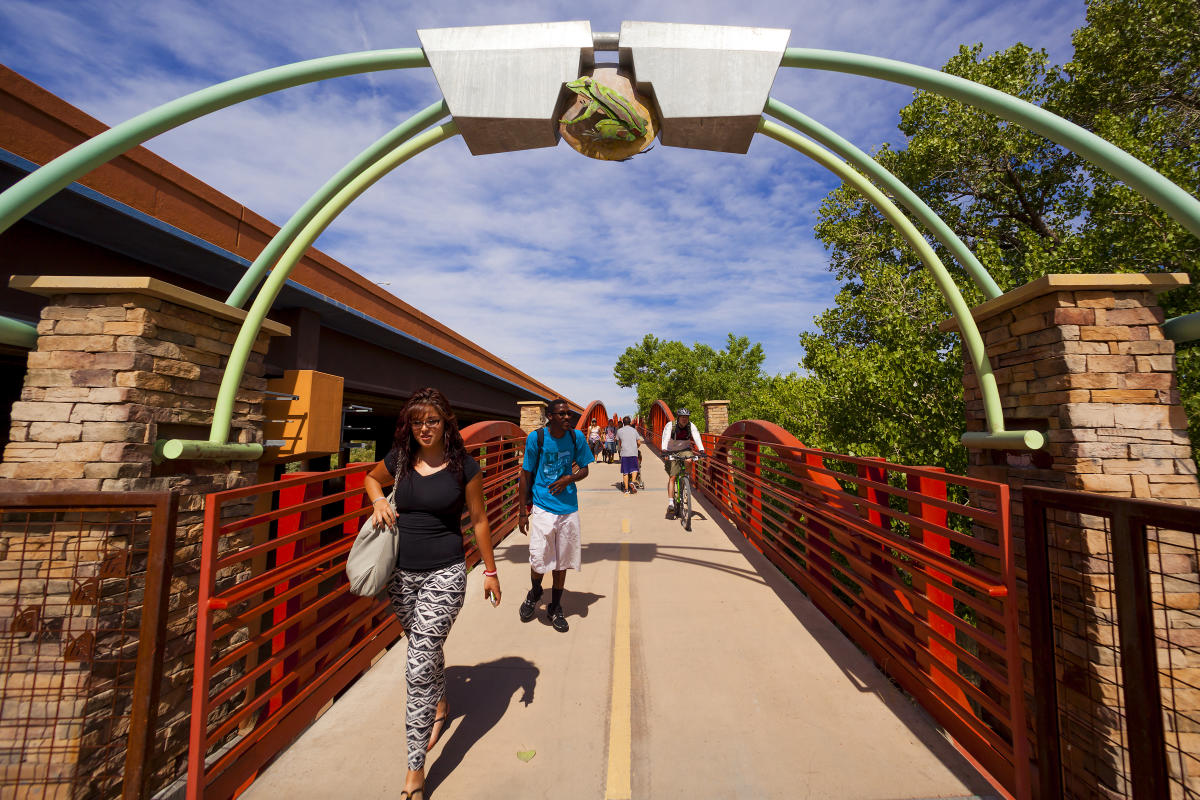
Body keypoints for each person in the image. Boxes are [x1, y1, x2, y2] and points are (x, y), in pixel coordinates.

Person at [363, 387, 501, 800]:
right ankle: (440, 703)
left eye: (433, 421)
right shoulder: (401, 460)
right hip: (401, 576)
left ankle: (414, 772)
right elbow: (370, 477)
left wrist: (490, 571)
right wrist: (376, 502)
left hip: (446, 573)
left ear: (446, 424)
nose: (425, 428)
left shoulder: (464, 467)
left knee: (418, 663)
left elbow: (478, 520)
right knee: (425, 647)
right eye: (418, 421)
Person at [517, 398, 593, 632]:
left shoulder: (576, 437)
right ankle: (535, 591)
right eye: (562, 414)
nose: (567, 418)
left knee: (562, 561)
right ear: (550, 416)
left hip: (568, 508)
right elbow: (525, 474)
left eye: (569, 414)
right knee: (539, 558)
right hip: (542, 506)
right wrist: (522, 512)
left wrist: (570, 478)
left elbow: (585, 468)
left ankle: (555, 606)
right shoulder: (537, 438)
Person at [660, 408, 705, 519]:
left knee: (689, 459)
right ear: (678, 417)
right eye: (682, 417)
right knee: (672, 477)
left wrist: (702, 451)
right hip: (670, 450)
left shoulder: (691, 426)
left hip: (684, 449)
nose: (684, 419)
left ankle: (686, 479)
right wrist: (664, 450)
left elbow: (697, 437)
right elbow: (665, 438)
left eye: (686, 417)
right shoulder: (671, 426)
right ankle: (671, 503)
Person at [615, 416, 644, 494]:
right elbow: (639, 442)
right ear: (630, 422)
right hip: (633, 453)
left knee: (625, 472)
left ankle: (626, 489)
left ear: (623, 423)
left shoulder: (619, 431)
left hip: (624, 453)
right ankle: (633, 482)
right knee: (635, 469)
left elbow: (617, 440)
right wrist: (636, 447)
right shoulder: (634, 430)